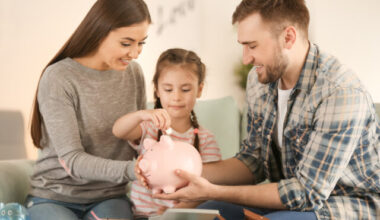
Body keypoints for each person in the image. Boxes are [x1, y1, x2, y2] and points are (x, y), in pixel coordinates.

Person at [153, 0, 380, 219]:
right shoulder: (259, 81)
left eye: (252, 46)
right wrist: (176, 170)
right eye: (243, 46)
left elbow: (306, 194)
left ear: (288, 37)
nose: (245, 59)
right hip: (288, 203)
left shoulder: (340, 92)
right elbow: (253, 161)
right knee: (204, 214)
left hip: (344, 206)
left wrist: (212, 190)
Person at [26, 0, 151, 219]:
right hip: (54, 196)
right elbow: (73, 160)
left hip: (110, 197)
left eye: (142, 43)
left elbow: (138, 142)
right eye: (126, 43)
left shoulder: (134, 74)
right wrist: (133, 170)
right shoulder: (59, 78)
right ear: (99, 32)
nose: (135, 53)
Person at [112, 48, 222, 219]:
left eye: (185, 90)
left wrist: (177, 211)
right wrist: (141, 114)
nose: (176, 97)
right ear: (156, 90)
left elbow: (208, 185)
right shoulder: (148, 127)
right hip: (140, 214)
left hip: (181, 216)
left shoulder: (205, 138)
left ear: (199, 90)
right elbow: (118, 131)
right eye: (168, 89)